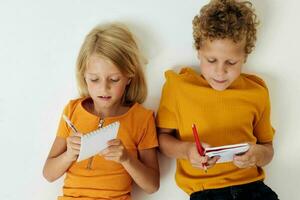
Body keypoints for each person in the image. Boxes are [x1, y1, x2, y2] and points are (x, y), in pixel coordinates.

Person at [156, 0, 279, 199]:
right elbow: (161, 140)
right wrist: (187, 150)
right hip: (205, 192)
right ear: (198, 51)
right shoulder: (178, 87)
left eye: (231, 62)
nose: (220, 71)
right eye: (211, 60)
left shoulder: (257, 92)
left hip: (253, 189)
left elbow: (268, 149)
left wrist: (257, 155)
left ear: (245, 56)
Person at [43, 23, 159, 200]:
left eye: (114, 79)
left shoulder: (141, 119)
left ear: (129, 77)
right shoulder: (73, 111)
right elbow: (48, 174)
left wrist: (126, 159)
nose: (104, 88)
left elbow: (151, 185)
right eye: (94, 79)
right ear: (84, 76)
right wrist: (69, 155)